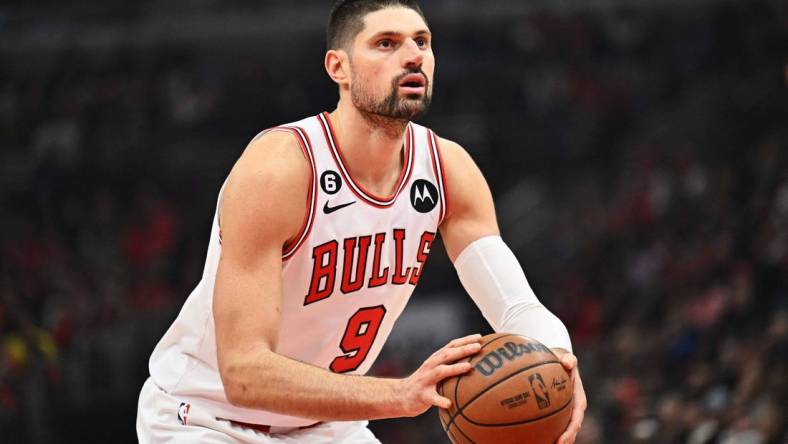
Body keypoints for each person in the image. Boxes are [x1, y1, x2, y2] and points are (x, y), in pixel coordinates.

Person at [136, 1, 587, 442]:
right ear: (339, 68)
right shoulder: (280, 169)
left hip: (326, 427)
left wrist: (558, 362)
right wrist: (399, 393)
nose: (413, 55)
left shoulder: (449, 170)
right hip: (205, 417)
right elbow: (243, 371)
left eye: (422, 42)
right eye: (386, 43)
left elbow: (516, 307)